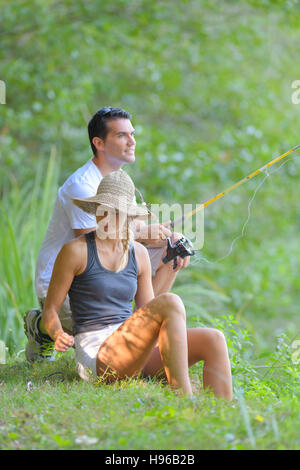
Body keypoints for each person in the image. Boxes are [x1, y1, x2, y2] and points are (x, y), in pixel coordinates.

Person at [41, 169, 233, 399]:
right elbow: (50, 309)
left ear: (130, 218)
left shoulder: (139, 253)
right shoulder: (75, 251)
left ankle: (223, 417)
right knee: (170, 302)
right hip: (98, 357)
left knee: (214, 339)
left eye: (118, 213)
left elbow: (148, 313)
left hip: (133, 351)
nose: (108, 219)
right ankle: (184, 400)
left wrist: (172, 263)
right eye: (104, 211)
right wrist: (57, 333)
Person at [24, 106, 189, 362]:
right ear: (99, 143)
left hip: (107, 273)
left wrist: (165, 238)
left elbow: (124, 239)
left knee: (175, 248)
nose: (132, 141)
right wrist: (145, 232)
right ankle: (40, 326)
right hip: (69, 284)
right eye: (122, 135)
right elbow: (95, 245)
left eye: (132, 134)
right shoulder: (82, 184)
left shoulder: (118, 180)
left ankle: (141, 330)